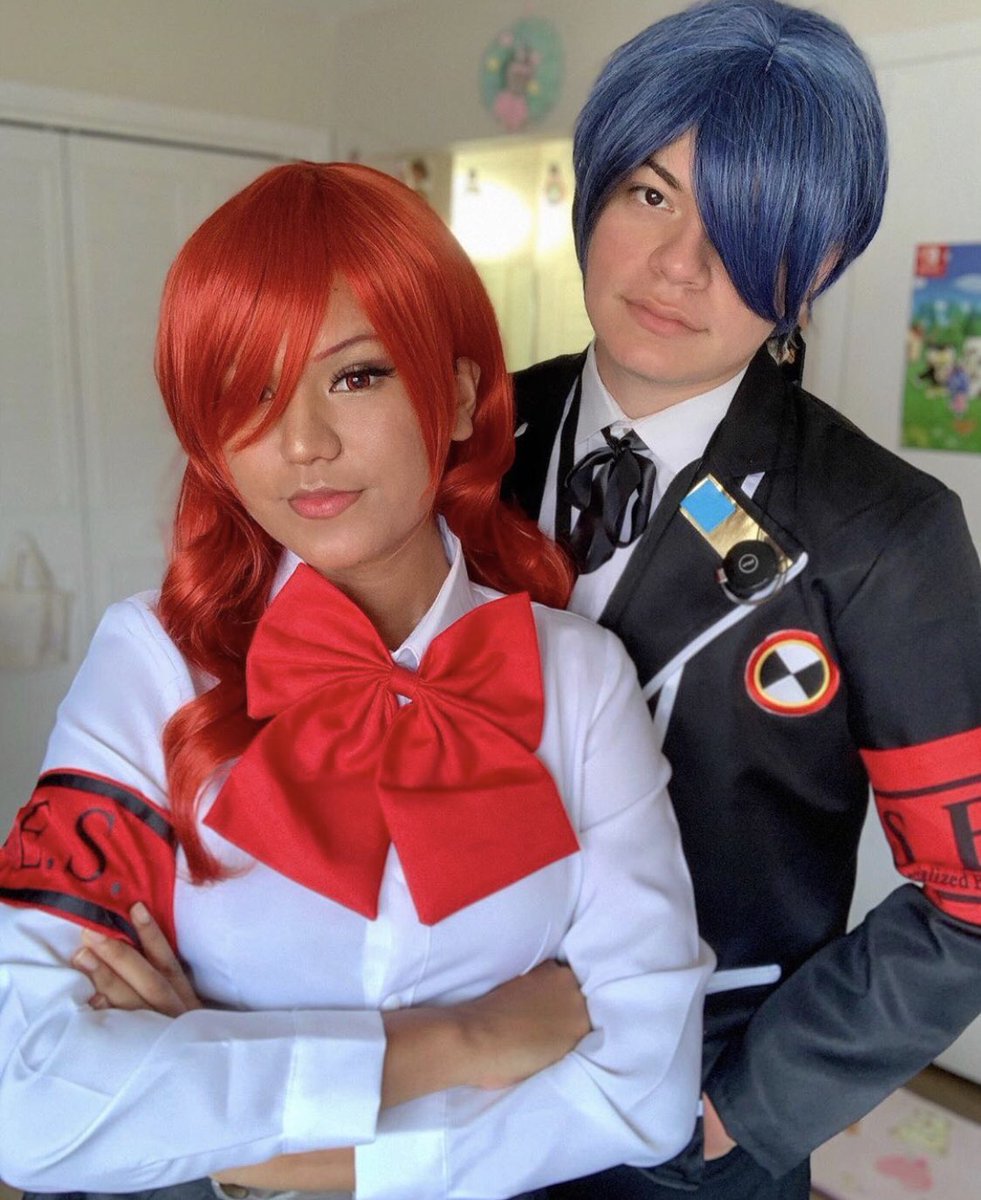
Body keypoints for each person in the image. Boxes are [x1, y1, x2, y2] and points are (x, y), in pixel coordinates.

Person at [0, 162, 713, 1199]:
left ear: (456, 394)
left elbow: (647, 1090)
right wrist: (462, 1041)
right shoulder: (153, 660)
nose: (303, 444)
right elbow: (24, 1097)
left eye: (357, 375)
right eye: (248, 390)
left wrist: (236, 1119)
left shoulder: (577, 677)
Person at [502, 1, 981, 1198]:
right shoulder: (465, 436)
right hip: (442, 1068)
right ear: (593, 189)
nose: (680, 266)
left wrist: (750, 1105)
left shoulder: (886, 531)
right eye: (651, 195)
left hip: (687, 1117)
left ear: (818, 266)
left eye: (750, 227)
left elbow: (973, 894)